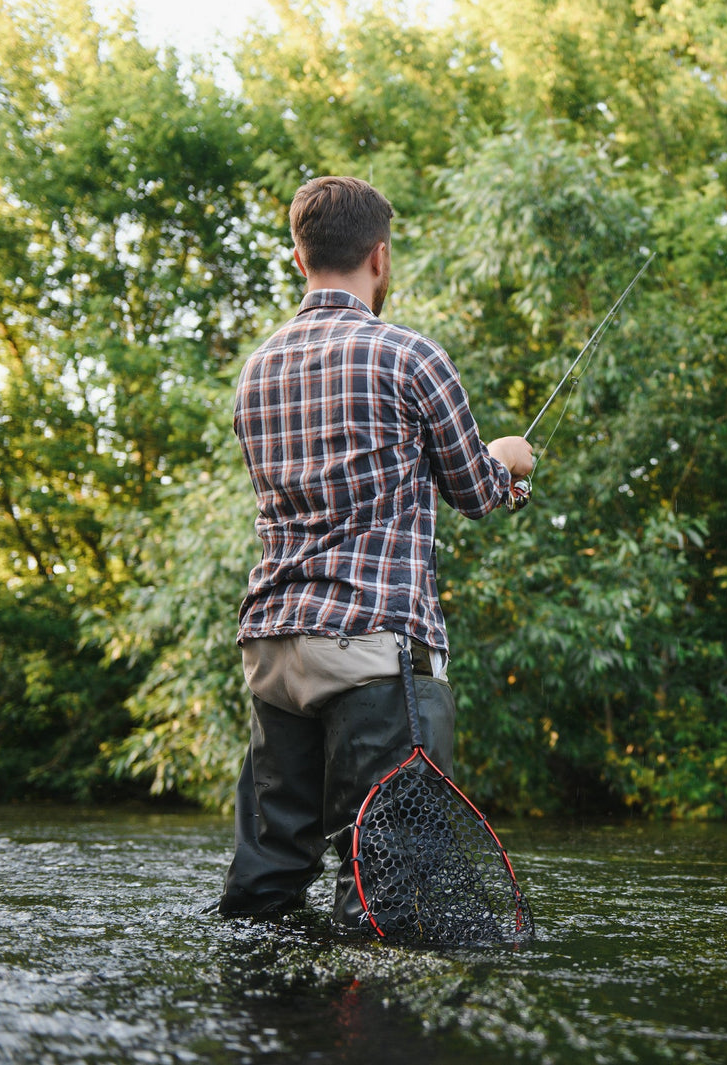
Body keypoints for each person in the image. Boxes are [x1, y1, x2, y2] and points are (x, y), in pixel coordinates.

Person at [216, 175, 534, 927]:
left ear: (300, 258)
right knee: (392, 898)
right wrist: (512, 463)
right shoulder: (409, 356)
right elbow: (477, 491)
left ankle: (266, 1032)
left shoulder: (256, 370)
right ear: (380, 258)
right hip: (373, 653)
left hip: (272, 654)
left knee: (265, 888)